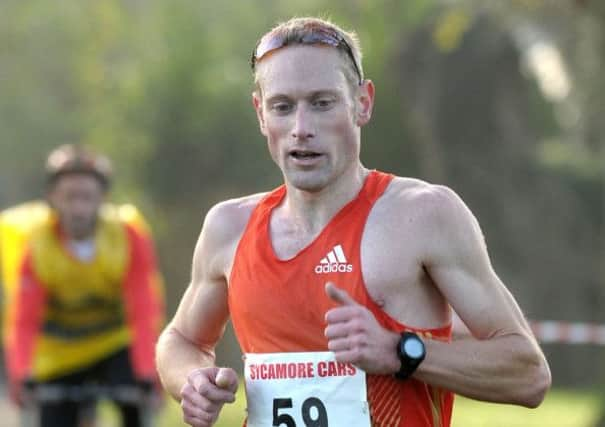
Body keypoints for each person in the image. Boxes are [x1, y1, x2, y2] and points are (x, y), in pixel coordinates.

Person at [155, 17, 551, 427]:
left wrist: (400, 352)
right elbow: (181, 340)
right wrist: (191, 382)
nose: (301, 129)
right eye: (282, 107)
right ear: (260, 113)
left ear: (362, 103)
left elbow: (528, 374)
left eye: (322, 103)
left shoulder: (422, 215)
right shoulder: (228, 227)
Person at [0, 144, 165, 427]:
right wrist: (21, 373)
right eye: (69, 197)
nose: (78, 208)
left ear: (103, 198)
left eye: (87, 197)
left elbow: (144, 308)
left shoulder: (127, 236)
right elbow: (24, 319)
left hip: (115, 343)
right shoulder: (38, 245)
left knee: (136, 408)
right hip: (60, 351)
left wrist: (148, 371)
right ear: (52, 198)